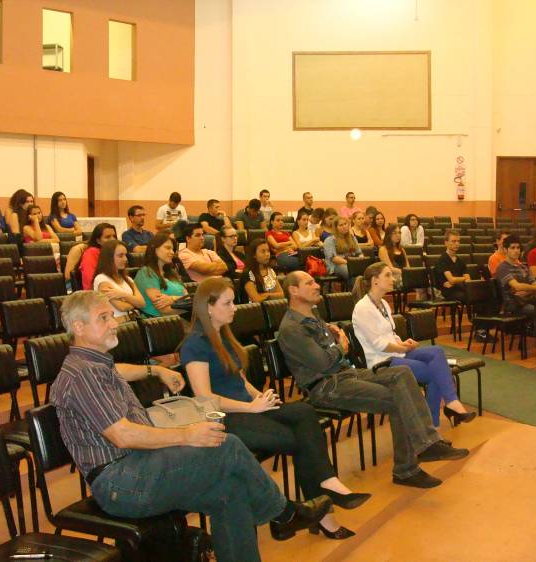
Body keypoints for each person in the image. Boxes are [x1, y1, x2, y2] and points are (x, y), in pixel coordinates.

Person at [51, 290, 331, 562]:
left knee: (231, 490)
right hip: (121, 482)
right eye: (103, 318)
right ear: (79, 327)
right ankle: (284, 514)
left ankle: (282, 517)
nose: (114, 323)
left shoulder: (94, 364)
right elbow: (122, 435)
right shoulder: (82, 375)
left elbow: (119, 370)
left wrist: (156, 369)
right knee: (227, 445)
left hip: (138, 466)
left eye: (112, 316)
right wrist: (186, 435)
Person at [182, 277, 368, 540]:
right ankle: (316, 512)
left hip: (249, 408)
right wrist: (252, 408)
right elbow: (204, 398)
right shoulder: (195, 344)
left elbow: (240, 381)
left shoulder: (223, 336)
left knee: (304, 412)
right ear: (208, 307)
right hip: (227, 418)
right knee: (299, 440)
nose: (234, 308)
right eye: (228, 303)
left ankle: (322, 494)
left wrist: (261, 397)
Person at [278, 271, 469, 489]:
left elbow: (324, 348)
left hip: (345, 374)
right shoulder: (292, 328)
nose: (316, 285)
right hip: (326, 386)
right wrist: (341, 346)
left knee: (402, 373)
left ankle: (424, 448)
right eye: (309, 283)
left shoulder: (313, 315)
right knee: (399, 398)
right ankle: (410, 465)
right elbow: (322, 362)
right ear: (293, 290)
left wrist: (334, 336)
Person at [351, 263, 475, 427]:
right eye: (388, 275)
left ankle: (448, 406)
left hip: (396, 353)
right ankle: (436, 420)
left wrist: (402, 342)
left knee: (437, 351)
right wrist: (402, 347)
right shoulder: (362, 308)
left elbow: (390, 334)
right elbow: (378, 345)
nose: (393, 279)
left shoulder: (383, 304)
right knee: (435, 373)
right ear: (375, 280)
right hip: (381, 361)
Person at [494, 234, 536, 345]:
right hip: (514, 305)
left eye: (518, 248)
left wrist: (530, 290)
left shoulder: (523, 267)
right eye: (512, 248)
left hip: (527, 300)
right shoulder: (502, 267)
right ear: (505, 250)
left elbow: (535, 285)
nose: (516, 251)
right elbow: (517, 286)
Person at [134, 232, 189, 317]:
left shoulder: (172, 272)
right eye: (168, 248)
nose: (172, 252)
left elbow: (188, 298)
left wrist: (172, 299)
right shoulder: (146, 272)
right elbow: (164, 310)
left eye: (173, 249)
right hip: (160, 322)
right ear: (154, 248)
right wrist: (188, 307)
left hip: (182, 318)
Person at [92, 240, 145, 321]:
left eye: (125, 255)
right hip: (117, 324)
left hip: (133, 321)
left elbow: (142, 303)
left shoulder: (128, 279)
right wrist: (134, 302)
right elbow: (122, 307)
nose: (125, 259)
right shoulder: (101, 279)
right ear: (109, 258)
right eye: (120, 255)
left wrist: (122, 295)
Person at [239, 239, 284, 303]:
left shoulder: (270, 270)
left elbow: (281, 294)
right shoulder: (248, 274)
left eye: (268, 251)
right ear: (254, 255)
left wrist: (267, 295)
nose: (267, 254)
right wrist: (274, 295)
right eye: (263, 251)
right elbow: (256, 299)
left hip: (272, 306)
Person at [75, 223, 118, 290]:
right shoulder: (91, 253)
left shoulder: (114, 254)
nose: (112, 239)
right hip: (98, 293)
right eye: (108, 237)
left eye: (114, 236)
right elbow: (90, 282)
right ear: (98, 241)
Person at [434, 229, 470, 302]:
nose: (457, 244)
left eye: (458, 241)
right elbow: (451, 279)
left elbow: (468, 279)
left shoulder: (460, 260)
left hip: (459, 288)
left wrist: (455, 280)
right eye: (453, 241)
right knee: (468, 296)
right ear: (446, 243)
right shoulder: (443, 259)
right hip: (448, 291)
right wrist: (463, 279)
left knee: (477, 294)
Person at [323, 217, 362, 281]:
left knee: (366, 270)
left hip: (352, 264)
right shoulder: (329, 240)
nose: (344, 227)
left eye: (345, 224)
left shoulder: (352, 238)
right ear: (336, 228)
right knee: (350, 271)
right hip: (337, 266)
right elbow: (334, 259)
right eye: (341, 225)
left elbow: (359, 253)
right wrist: (351, 264)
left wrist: (361, 261)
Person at [378, 224, 409, 288]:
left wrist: (407, 273)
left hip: (404, 276)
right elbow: (390, 268)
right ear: (388, 235)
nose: (398, 235)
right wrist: (405, 273)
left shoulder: (402, 249)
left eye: (399, 233)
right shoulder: (383, 249)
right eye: (394, 233)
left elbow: (408, 266)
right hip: (392, 277)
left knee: (421, 282)